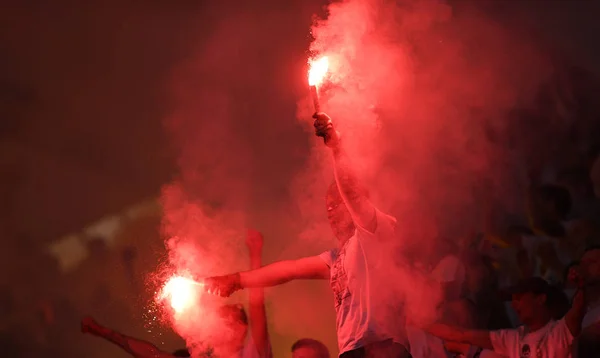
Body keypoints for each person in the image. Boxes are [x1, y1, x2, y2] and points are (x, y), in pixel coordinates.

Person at [202, 112, 409, 357]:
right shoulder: (335, 258)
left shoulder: (375, 230)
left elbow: (352, 193)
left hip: (383, 346)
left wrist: (336, 147)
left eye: (336, 204)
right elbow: (290, 270)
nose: (330, 212)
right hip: (352, 351)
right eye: (327, 207)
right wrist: (236, 280)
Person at [81, 230, 272, 358]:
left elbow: (257, 306)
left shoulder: (254, 353)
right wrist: (104, 332)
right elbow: (153, 355)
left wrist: (255, 254)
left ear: (240, 328)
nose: (216, 318)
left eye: (226, 315)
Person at [420, 276, 587, 358]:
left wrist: (582, 281)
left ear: (540, 298)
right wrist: (418, 321)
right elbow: (460, 335)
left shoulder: (560, 332)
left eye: (519, 298)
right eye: (512, 301)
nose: (514, 305)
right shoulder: (511, 338)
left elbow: (580, 306)